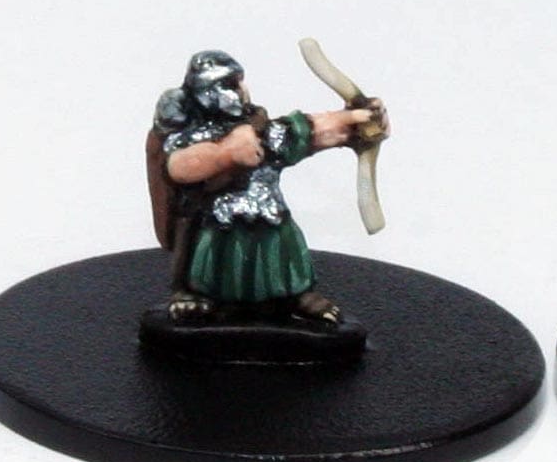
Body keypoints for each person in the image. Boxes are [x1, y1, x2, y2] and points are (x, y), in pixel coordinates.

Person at [146, 50, 388, 323]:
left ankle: (296, 296)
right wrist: (226, 154)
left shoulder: (262, 130)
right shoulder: (194, 135)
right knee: (215, 261)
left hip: (270, 215)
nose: (241, 91)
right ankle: (196, 297)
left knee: (282, 249)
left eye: (239, 81)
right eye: (230, 84)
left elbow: (308, 132)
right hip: (220, 223)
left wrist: (355, 121)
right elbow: (178, 167)